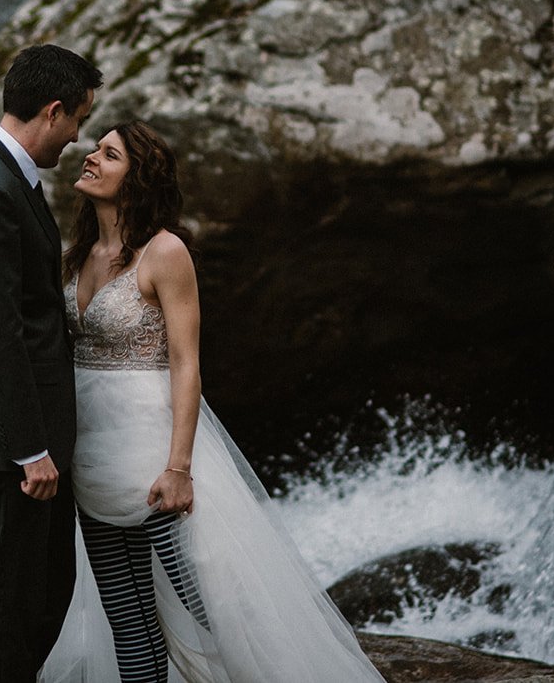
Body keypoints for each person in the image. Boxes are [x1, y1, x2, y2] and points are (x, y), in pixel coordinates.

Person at [41, 120, 388, 683]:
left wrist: (179, 467)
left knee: (217, 614)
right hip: (92, 459)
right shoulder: (77, 254)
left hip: (154, 455)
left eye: (109, 155)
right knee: (129, 624)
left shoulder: (165, 251)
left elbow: (186, 363)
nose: (90, 159)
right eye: (94, 149)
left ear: (138, 178)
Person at [0, 43, 102, 681]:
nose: (78, 137)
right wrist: (30, 449)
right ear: (53, 111)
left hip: (16, 434)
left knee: (45, 593)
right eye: (79, 119)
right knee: (12, 603)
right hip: (5, 440)